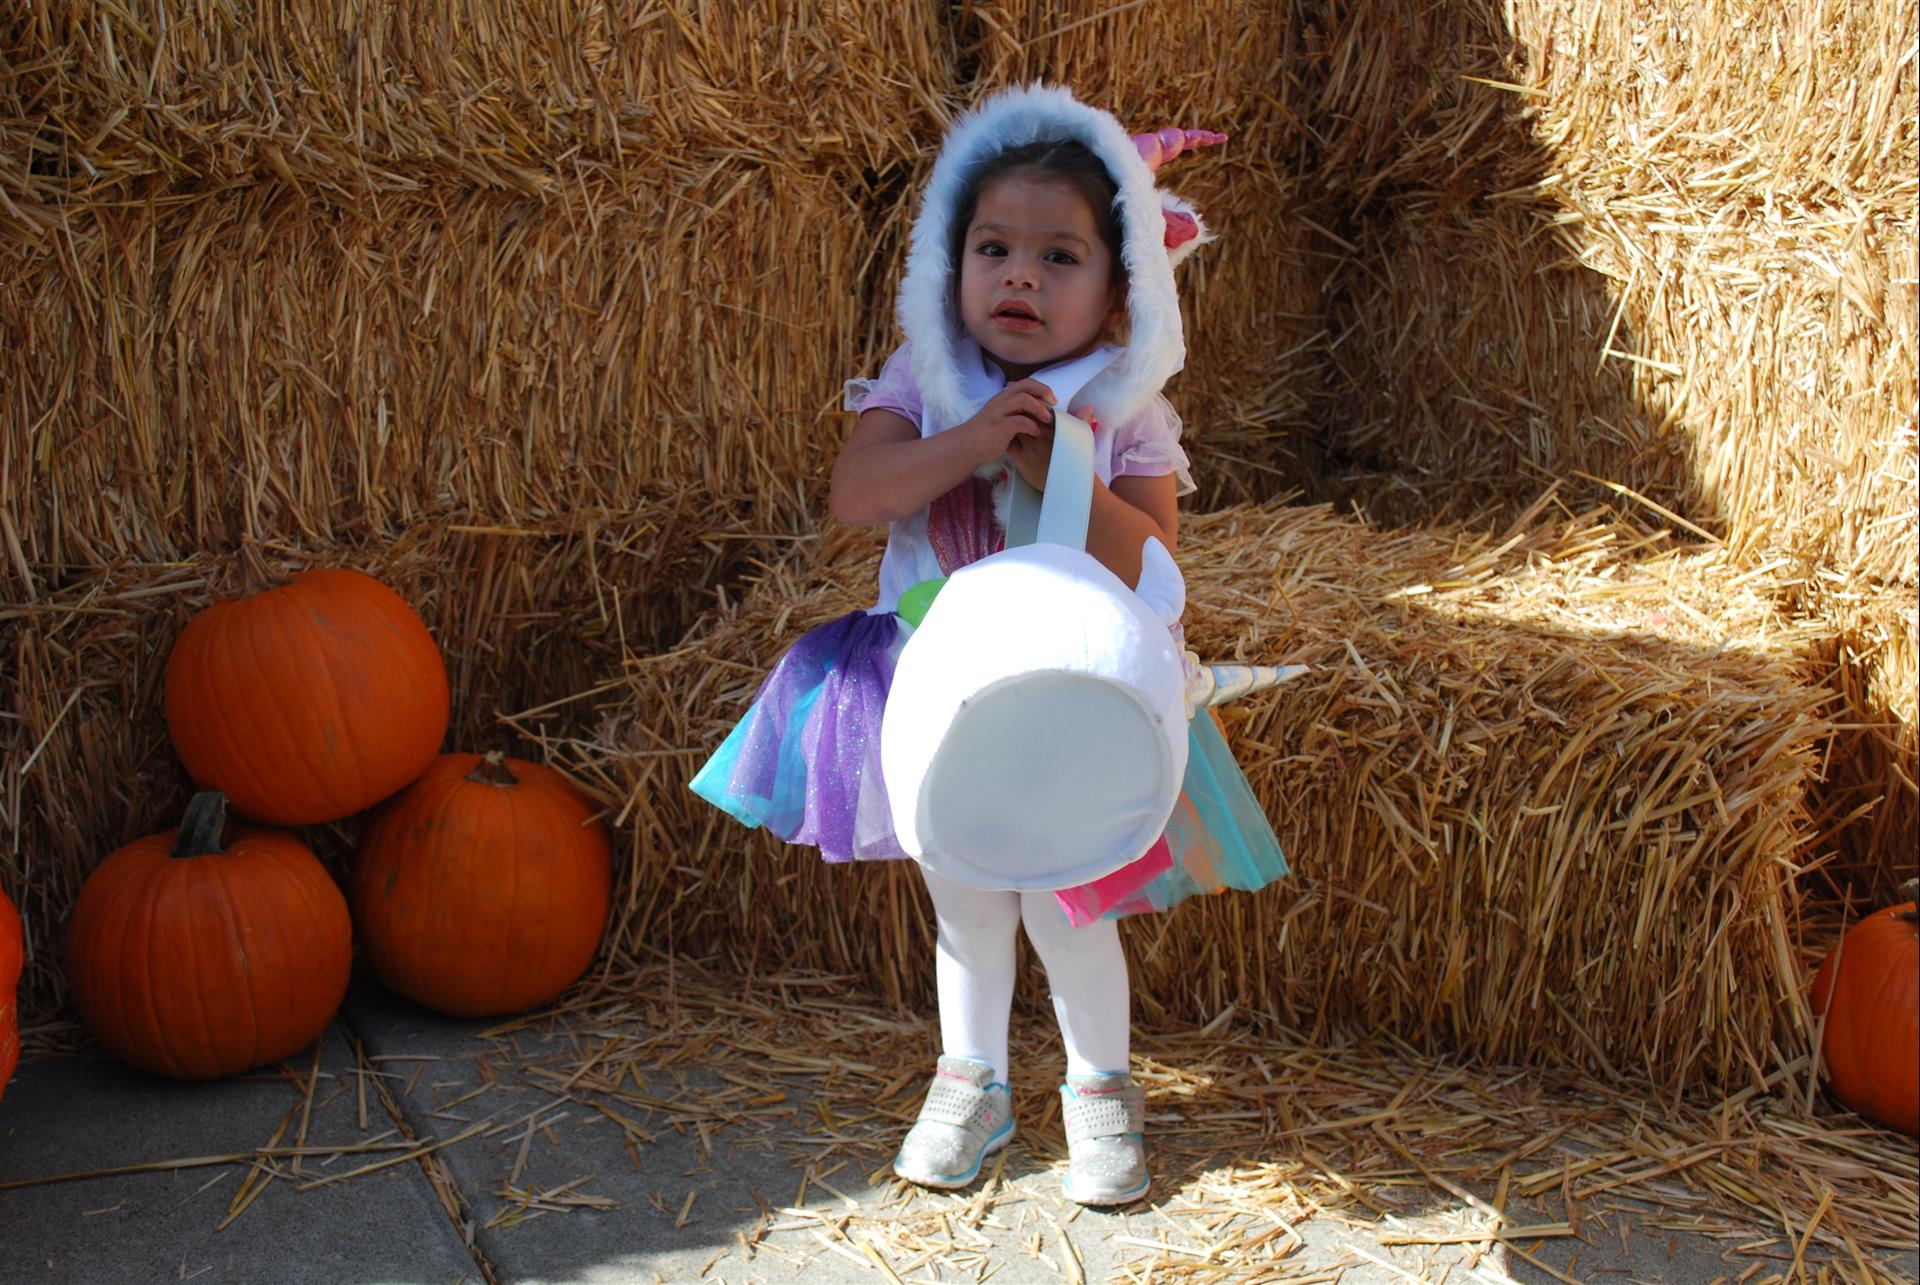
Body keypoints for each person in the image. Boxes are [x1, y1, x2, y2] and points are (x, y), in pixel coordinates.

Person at [691, 84, 1287, 1206]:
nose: (1019, 275)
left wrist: (1055, 466)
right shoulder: (928, 380)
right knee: (965, 901)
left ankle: (1100, 1092)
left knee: (1074, 904)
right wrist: (966, 439)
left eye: (1060, 257)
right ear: (947, 265)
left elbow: (1156, 567)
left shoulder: (1125, 410)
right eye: (993, 248)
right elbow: (856, 495)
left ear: (1121, 298)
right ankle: (973, 1082)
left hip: (1075, 696)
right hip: (933, 686)